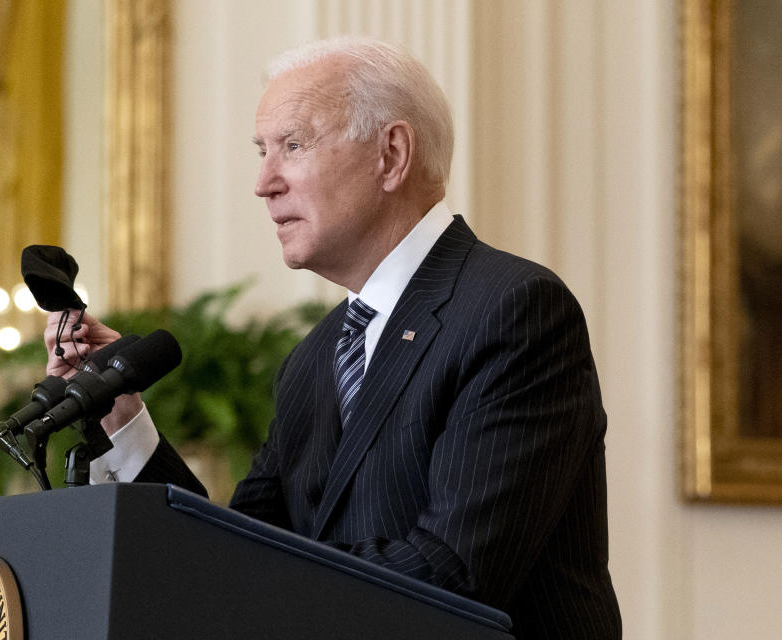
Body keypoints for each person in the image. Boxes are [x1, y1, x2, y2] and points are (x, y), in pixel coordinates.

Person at [44, 37, 622, 639]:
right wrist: (125, 423)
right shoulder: (313, 360)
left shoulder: (512, 311)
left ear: (392, 154)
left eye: (293, 145)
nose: (264, 183)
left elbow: (451, 576)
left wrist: (263, 581)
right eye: (262, 151)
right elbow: (225, 555)